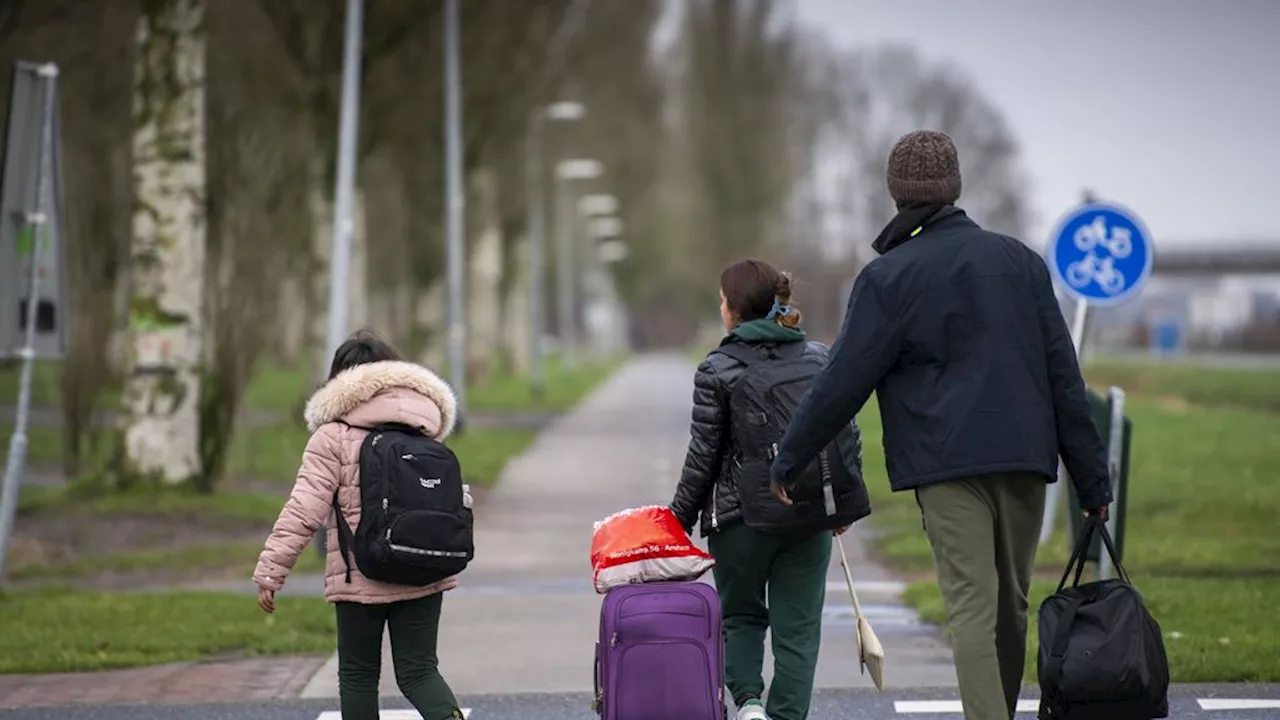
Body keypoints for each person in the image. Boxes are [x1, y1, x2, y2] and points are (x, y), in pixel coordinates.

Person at [768, 130, 1113, 720]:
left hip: (949, 466)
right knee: (1010, 607)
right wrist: (1093, 481)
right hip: (1025, 461)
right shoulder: (1020, 264)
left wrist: (790, 456)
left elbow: (844, 379)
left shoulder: (888, 278)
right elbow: (1065, 377)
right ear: (954, 187)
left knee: (973, 609)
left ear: (896, 193)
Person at [670, 259, 870, 720]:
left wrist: (676, 521)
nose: (721, 307)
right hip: (807, 517)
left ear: (735, 309)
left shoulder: (717, 367)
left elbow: (703, 456)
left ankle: (750, 705)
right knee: (797, 632)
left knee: (740, 619)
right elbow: (846, 434)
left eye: (723, 300)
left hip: (740, 521)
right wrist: (839, 503)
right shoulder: (818, 358)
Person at [253, 330, 466, 720]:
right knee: (419, 672)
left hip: (359, 578)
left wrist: (272, 570)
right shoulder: (426, 430)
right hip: (423, 568)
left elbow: (304, 508)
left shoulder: (331, 437)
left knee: (358, 676)